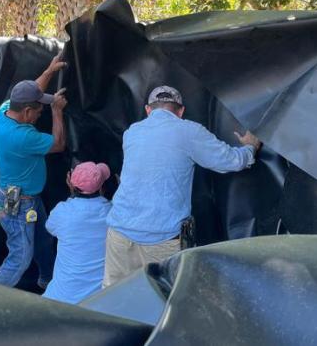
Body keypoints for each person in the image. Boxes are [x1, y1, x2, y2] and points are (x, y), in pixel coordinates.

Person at [103, 85, 261, 287]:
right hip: (161, 239)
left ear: (148, 110)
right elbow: (232, 161)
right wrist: (251, 146)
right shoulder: (188, 131)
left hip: (119, 235)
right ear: (180, 111)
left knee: (114, 300)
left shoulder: (132, 133)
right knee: (164, 304)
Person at [0, 55, 68, 288]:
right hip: (19, 204)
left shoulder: (2, 114)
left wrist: (49, 71)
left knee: (43, 239)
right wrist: (56, 112)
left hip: (25, 198)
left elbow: (30, 92)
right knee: (20, 258)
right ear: (26, 112)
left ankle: (47, 281)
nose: (39, 114)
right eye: (38, 111)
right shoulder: (23, 136)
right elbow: (58, 144)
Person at [43, 162, 112, 304]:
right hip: (98, 301)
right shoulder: (112, 212)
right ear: (101, 186)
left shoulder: (63, 211)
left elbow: (50, 227)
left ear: (70, 183)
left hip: (60, 298)